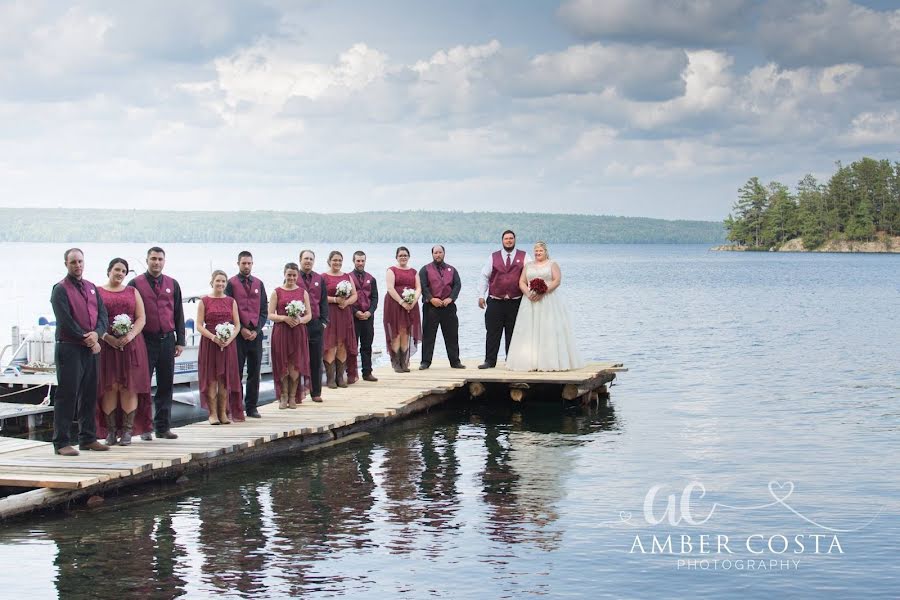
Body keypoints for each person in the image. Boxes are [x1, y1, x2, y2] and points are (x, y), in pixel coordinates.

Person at [50, 249, 110, 455]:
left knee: (90, 393)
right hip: (70, 347)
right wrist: (87, 339)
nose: (78, 265)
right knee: (68, 394)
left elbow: (103, 315)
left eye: (80, 261)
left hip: (91, 347)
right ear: (66, 264)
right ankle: (61, 442)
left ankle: (87, 438)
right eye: (73, 262)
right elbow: (65, 320)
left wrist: (98, 334)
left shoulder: (92, 287)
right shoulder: (60, 289)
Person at [128, 246, 184, 439]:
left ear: (164, 261)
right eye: (153, 258)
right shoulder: (135, 283)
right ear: (147, 260)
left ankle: (163, 427)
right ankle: (144, 428)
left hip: (167, 339)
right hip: (145, 340)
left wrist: (181, 341)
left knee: (166, 385)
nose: (157, 262)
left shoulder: (172, 284)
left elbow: (178, 314)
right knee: (143, 385)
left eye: (160, 259)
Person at [96, 258, 153, 446]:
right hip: (107, 346)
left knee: (129, 386)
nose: (120, 273)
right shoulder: (98, 292)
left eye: (123, 271)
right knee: (110, 387)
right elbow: (94, 319)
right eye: (117, 269)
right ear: (109, 271)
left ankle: (127, 432)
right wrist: (107, 337)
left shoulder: (132, 291)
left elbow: (141, 318)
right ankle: (111, 432)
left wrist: (130, 336)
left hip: (131, 346)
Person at [506, 242, 584, 372]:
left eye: (540, 251)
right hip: (530, 300)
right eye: (536, 251)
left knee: (548, 329)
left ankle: (550, 361)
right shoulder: (528, 266)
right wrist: (528, 293)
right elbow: (522, 281)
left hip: (548, 300)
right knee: (529, 329)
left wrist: (543, 291)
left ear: (545, 251)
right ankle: (530, 362)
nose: (538, 253)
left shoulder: (552, 264)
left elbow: (557, 280)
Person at [196, 270, 245, 424]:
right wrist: (213, 338)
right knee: (211, 379)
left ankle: (223, 412)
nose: (221, 284)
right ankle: (212, 414)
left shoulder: (231, 301)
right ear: (212, 282)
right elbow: (199, 325)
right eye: (218, 281)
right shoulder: (204, 301)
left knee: (224, 378)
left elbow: (237, 325)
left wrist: (229, 339)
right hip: (210, 343)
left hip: (227, 344)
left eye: (223, 281)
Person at [477, 230, 529, 369]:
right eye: (506, 239)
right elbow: (484, 276)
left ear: (515, 240)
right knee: (493, 332)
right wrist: (481, 295)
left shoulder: (524, 256)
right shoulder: (493, 257)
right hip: (495, 301)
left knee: (513, 333)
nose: (509, 241)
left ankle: (511, 361)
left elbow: (531, 274)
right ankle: (489, 361)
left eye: (511, 238)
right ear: (502, 240)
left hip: (515, 301)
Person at [225, 251, 268, 419]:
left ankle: (252, 407)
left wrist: (256, 330)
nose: (247, 266)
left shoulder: (259, 283)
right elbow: (228, 308)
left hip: (255, 335)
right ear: (238, 263)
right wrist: (241, 328)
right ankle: (236, 408)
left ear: (252, 264)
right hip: (238, 335)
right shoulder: (231, 284)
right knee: (236, 372)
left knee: (254, 372)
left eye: (249, 263)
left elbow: (264, 310)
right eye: (244, 263)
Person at [268, 263, 312, 408]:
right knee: (282, 364)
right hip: (281, 332)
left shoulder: (302, 292)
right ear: (284, 274)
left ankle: (293, 396)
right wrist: (284, 318)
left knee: (295, 365)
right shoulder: (277, 292)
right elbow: (270, 315)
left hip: (297, 332)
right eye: (289, 275)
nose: (291, 278)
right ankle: (283, 396)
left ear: (297, 276)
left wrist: (300, 320)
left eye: (294, 275)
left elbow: (309, 315)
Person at [418, 245, 464, 370]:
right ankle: (425, 362)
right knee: (428, 335)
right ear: (432, 254)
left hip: (448, 306)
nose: (438, 255)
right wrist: (432, 299)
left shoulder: (452, 269)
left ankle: (455, 361)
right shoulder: (425, 269)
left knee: (452, 335)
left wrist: (451, 298)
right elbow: (423, 286)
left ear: (444, 253)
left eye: (440, 252)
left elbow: (457, 285)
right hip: (431, 307)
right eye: (435, 253)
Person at [321, 251, 359, 388]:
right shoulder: (323, 277)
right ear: (329, 261)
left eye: (339, 260)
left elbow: (355, 295)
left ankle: (340, 378)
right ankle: (330, 378)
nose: (337, 263)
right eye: (334, 260)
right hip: (331, 313)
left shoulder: (347, 276)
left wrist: (346, 302)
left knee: (343, 344)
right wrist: (335, 299)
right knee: (330, 345)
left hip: (345, 313)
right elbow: (320, 297)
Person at [384, 246, 422, 373]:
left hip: (410, 306)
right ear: (396, 257)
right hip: (394, 305)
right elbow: (390, 288)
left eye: (405, 255)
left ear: (409, 257)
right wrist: (401, 302)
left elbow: (418, 288)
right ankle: (395, 363)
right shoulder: (391, 270)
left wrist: (413, 301)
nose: (403, 257)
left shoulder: (414, 272)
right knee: (396, 332)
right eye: (400, 255)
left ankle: (404, 362)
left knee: (406, 332)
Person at [298, 249, 329, 402]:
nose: (308, 261)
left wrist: (324, 321)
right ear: (300, 260)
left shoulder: (319, 278)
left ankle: (316, 392)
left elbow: (323, 301)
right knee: (297, 359)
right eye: (306, 258)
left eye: (311, 259)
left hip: (316, 324)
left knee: (316, 360)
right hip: (298, 325)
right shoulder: (293, 277)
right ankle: (297, 393)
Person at [351, 251, 379, 382]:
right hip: (353, 316)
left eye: (362, 261)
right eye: (358, 261)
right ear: (354, 261)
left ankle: (367, 372)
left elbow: (374, 298)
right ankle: (351, 374)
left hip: (368, 316)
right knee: (352, 345)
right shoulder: (348, 277)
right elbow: (347, 297)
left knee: (367, 345)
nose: (360, 263)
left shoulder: (371, 278)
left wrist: (370, 312)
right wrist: (355, 312)